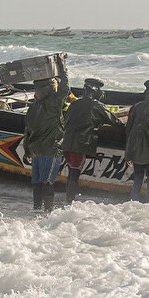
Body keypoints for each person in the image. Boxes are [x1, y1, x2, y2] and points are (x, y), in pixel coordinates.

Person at [61, 78, 121, 204]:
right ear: (96, 91)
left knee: (71, 173)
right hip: (80, 144)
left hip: (66, 144)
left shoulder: (74, 104)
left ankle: (69, 201)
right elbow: (114, 121)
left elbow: (66, 121)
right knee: (74, 175)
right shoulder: (96, 105)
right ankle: (70, 203)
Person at [22, 58, 70, 212]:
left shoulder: (33, 107)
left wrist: (27, 151)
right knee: (48, 182)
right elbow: (65, 89)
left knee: (37, 183)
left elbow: (27, 131)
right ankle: (48, 214)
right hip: (50, 149)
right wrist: (63, 69)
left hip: (35, 151)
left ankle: (36, 210)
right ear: (51, 88)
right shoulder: (53, 103)